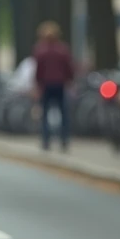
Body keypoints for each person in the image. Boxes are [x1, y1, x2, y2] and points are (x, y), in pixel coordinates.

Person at [32, 21, 75, 152]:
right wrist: (70, 80)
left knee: (45, 113)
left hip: (46, 85)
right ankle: (64, 141)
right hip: (60, 85)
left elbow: (38, 70)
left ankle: (46, 141)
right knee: (64, 113)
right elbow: (69, 68)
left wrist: (37, 85)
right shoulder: (63, 49)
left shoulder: (40, 50)